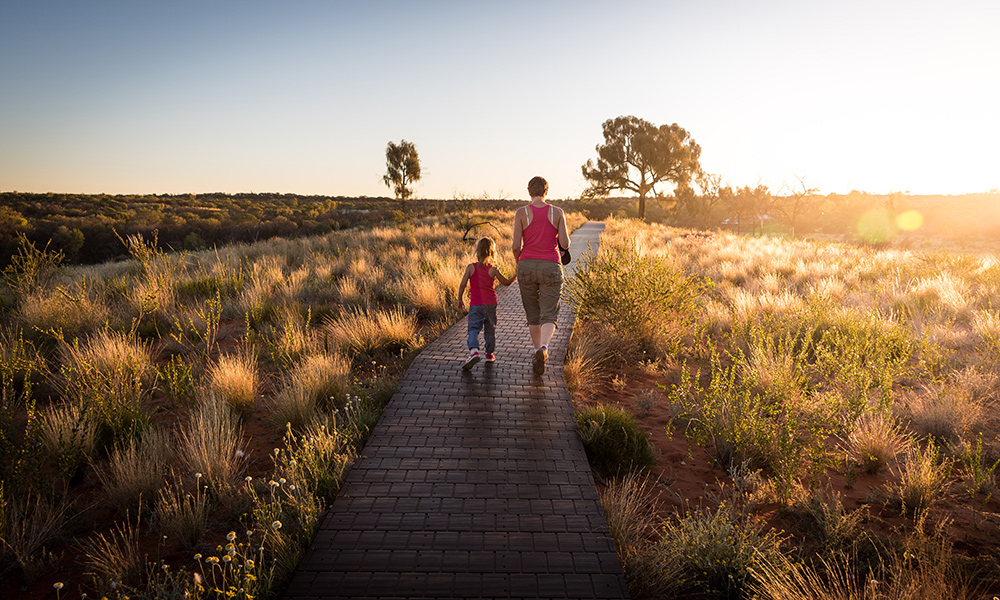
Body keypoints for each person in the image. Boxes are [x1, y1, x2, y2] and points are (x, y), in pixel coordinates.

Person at [512, 176, 570, 376]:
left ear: (529, 191)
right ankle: (544, 348)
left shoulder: (521, 213)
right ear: (546, 191)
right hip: (551, 266)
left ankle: (537, 350)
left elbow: (515, 246)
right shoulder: (557, 212)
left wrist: (519, 261)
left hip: (526, 264)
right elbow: (565, 243)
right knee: (549, 312)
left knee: (532, 312)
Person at [457, 237, 516, 369]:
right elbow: (506, 283)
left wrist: (460, 299)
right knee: (490, 329)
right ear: (492, 253)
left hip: (476, 304)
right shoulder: (493, 269)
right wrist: (515, 276)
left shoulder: (470, 268)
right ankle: (489, 355)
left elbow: (462, 285)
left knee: (473, 328)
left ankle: (474, 351)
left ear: (478, 251)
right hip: (491, 304)